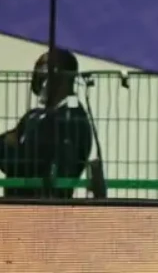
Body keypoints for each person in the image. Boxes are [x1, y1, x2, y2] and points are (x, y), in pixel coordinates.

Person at [0, 48, 93, 198]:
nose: (38, 76)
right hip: (17, 204)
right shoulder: (34, 116)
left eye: (43, 69)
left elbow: (29, 162)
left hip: (43, 207)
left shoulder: (72, 119)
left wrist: (15, 150)